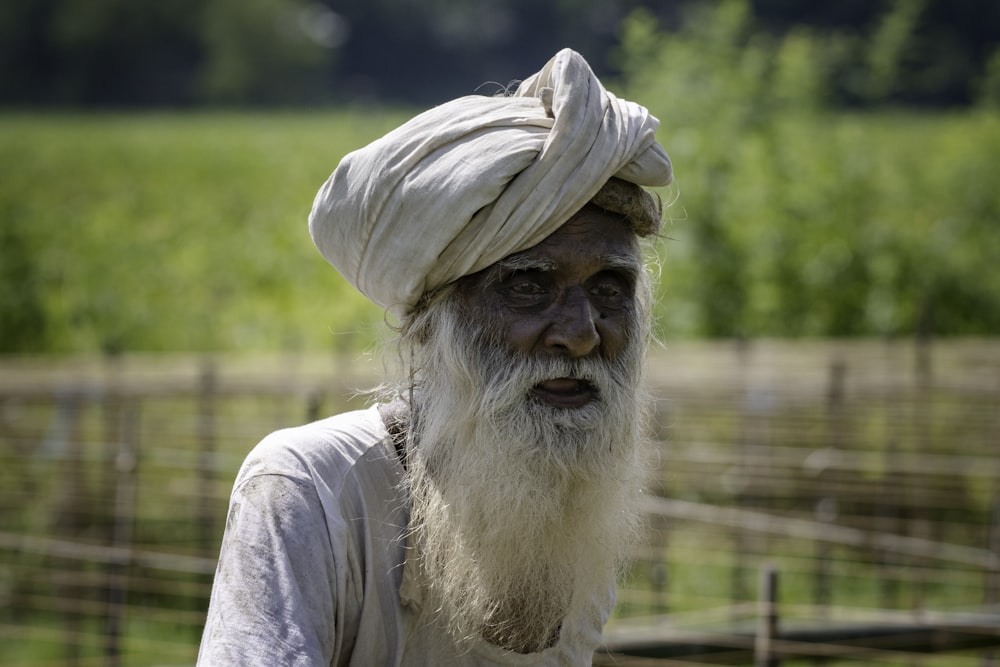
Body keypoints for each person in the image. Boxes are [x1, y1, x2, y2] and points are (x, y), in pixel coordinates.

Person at [197, 48, 673, 665]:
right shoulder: (309, 489)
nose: (581, 334)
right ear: (434, 321)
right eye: (528, 286)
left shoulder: (575, 509)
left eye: (610, 289)